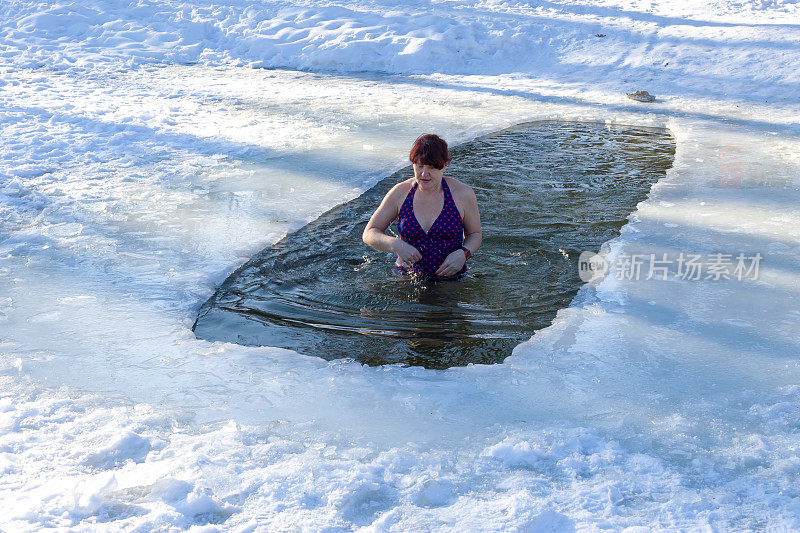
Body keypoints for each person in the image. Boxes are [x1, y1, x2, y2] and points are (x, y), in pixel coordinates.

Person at [362, 134, 482, 279]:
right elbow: (369, 233)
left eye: (431, 168)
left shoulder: (462, 194)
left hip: (451, 278)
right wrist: (396, 245)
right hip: (406, 276)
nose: (424, 174)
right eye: (419, 166)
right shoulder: (401, 192)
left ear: (444, 166)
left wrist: (464, 253)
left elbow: (475, 234)